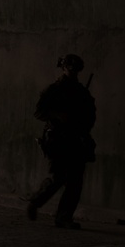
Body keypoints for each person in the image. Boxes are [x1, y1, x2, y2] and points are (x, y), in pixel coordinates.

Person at [26, 53, 96, 229]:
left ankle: (64, 217)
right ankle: (36, 201)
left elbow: (90, 116)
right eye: (69, 68)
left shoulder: (81, 92)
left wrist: (82, 125)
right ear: (64, 68)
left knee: (75, 181)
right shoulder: (54, 90)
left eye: (75, 70)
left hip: (76, 139)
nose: (72, 72)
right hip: (58, 139)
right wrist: (57, 115)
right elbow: (39, 112)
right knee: (58, 177)